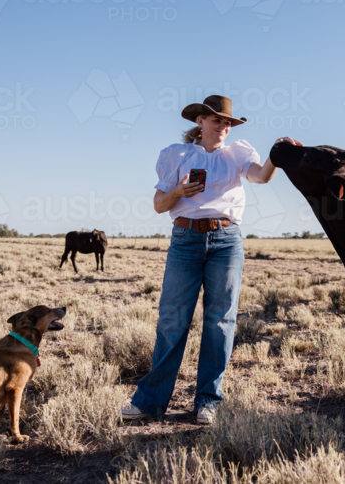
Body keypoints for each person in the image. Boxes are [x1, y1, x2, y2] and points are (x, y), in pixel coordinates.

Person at [120, 95, 301, 424]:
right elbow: (160, 204)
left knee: (220, 322)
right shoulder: (177, 155)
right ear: (200, 122)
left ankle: (208, 401)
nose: (223, 126)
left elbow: (261, 176)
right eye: (216, 120)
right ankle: (149, 402)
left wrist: (276, 155)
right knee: (172, 321)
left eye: (227, 122)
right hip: (185, 239)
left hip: (226, 240)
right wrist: (179, 192)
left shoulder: (238, 154)